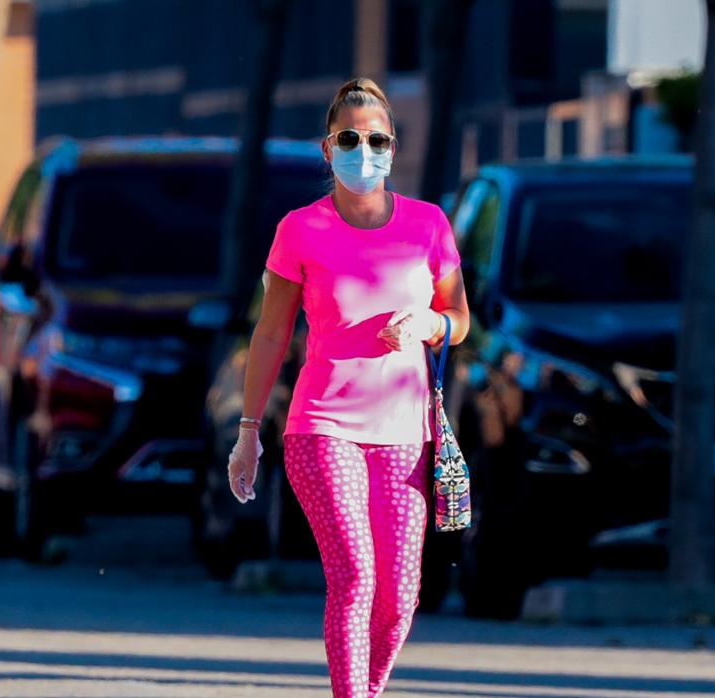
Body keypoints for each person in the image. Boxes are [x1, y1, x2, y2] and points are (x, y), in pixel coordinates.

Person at [226, 77, 470, 697]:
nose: (366, 150)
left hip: (405, 436)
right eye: (351, 138)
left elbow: (460, 321)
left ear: (393, 146)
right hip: (323, 427)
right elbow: (271, 334)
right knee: (356, 576)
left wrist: (429, 323)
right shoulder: (301, 229)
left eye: (377, 139)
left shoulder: (429, 224)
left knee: (399, 598)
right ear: (327, 148)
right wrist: (249, 432)